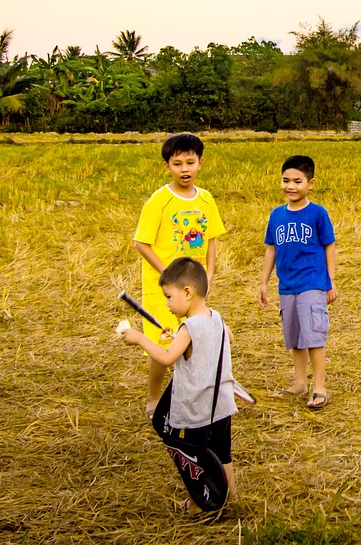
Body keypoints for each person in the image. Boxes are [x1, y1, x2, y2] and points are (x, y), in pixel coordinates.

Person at [119, 257, 238, 512]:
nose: (167, 304)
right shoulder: (216, 317)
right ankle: (230, 498)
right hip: (221, 404)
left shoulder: (189, 327)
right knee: (222, 453)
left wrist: (140, 338)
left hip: (197, 410)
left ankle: (199, 503)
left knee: (198, 457)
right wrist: (185, 342)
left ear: (187, 292)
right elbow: (225, 337)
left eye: (169, 297)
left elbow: (165, 357)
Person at [134, 133, 227, 415]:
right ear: (167, 167)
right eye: (177, 163)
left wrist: (208, 274)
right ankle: (153, 398)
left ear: (200, 163)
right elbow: (141, 242)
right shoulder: (159, 200)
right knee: (165, 344)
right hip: (164, 289)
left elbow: (210, 239)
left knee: (192, 342)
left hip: (194, 289)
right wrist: (168, 275)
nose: (184, 169)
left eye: (190, 162)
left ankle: (189, 395)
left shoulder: (207, 200)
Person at [259, 154, 337, 410]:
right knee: (294, 337)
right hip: (287, 285)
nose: (291, 186)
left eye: (297, 181)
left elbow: (329, 246)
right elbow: (271, 249)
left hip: (312, 282)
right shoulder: (276, 215)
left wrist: (330, 281)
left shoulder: (317, 213)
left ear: (310, 183)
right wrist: (263, 283)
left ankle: (319, 387)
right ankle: (300, 383)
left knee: (314, 335)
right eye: (286, 180)